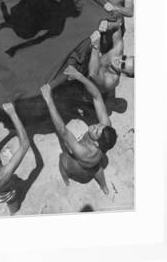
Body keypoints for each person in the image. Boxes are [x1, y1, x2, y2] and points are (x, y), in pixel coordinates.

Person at [41, 65, 117, 193]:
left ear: (97, 143)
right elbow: (97, 96)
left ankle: (66, 180)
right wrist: (79, 76)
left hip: (80, 167)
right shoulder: (106, 130)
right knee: (97, 169)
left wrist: (49, 99)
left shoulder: (84, 152)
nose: (94, 126)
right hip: (95, 163)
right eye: (99, 126)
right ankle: (104, 187)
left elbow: (62, 130)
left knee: (62, 159)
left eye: (96, 131)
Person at [88, 28, 134, 94]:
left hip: (83, 88)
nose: (120, 60)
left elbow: (93, 74)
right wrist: (108, 24)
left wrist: (96, 46)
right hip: (90, 62)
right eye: (124, 58)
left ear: (124, 74)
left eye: (123, 65)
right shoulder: (118, 51)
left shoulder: (111, 81)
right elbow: (117, 25)